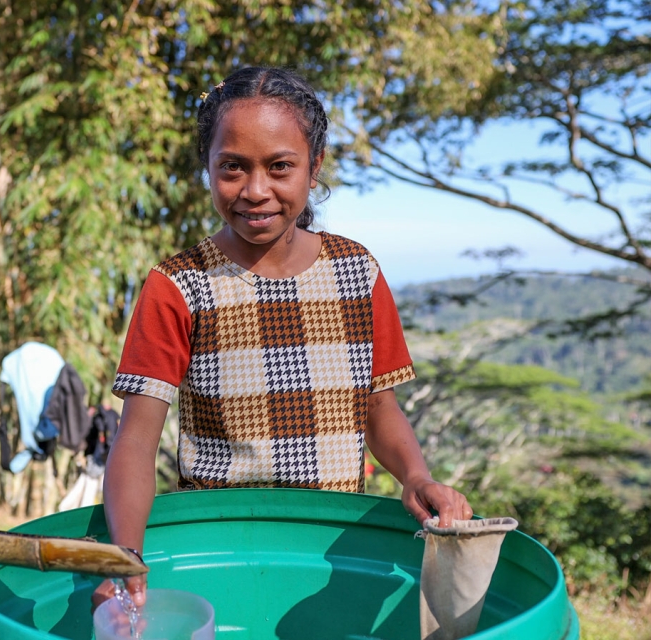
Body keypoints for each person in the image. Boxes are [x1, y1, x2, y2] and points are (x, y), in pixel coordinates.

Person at [91, 66, 473, 611]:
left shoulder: (356, 272)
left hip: (333, 549)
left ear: (313, 168)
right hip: (218, 548)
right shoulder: (177, 285)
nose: (255, 190)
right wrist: (124, 552)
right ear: (207, 167)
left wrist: (415, 476)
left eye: (280, 167)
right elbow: (135, 439)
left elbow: (378, 407)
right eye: (232, 168)